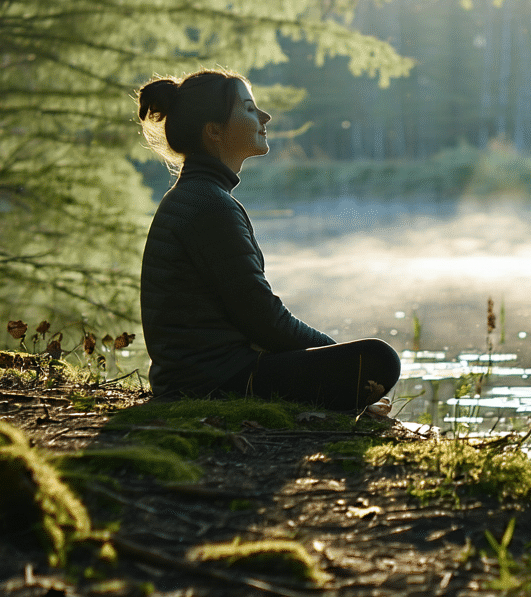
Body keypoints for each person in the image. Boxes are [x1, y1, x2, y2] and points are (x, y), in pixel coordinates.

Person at [136, 67, 399, 412]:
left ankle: (348, 400)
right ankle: (349, 404)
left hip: (202, 376)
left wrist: (328, 359)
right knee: (379, 359)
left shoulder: (199, 196)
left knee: (365, 362)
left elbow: (254, 320)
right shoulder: (209, 204)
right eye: (248, 109)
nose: (265, 116)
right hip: (213, 383)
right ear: (214, 131)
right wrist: (333, 352)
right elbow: (265, 321)